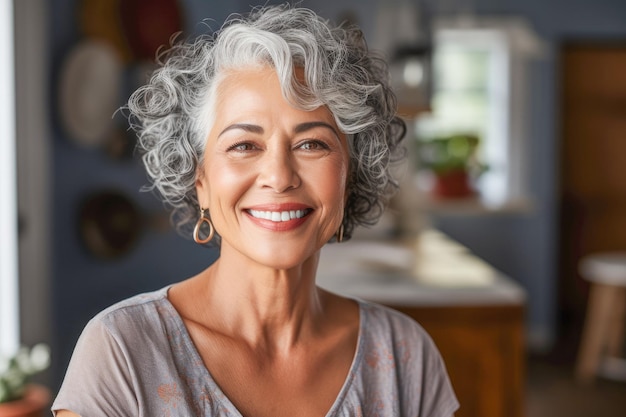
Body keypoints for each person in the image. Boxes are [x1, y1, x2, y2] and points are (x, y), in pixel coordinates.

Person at [53, 5, 459, 417]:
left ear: (349, 176)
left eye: (312, 143)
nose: (279, 177)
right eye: (244, 145)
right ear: (201, 180)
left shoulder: (405, 355)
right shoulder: (122, 352)